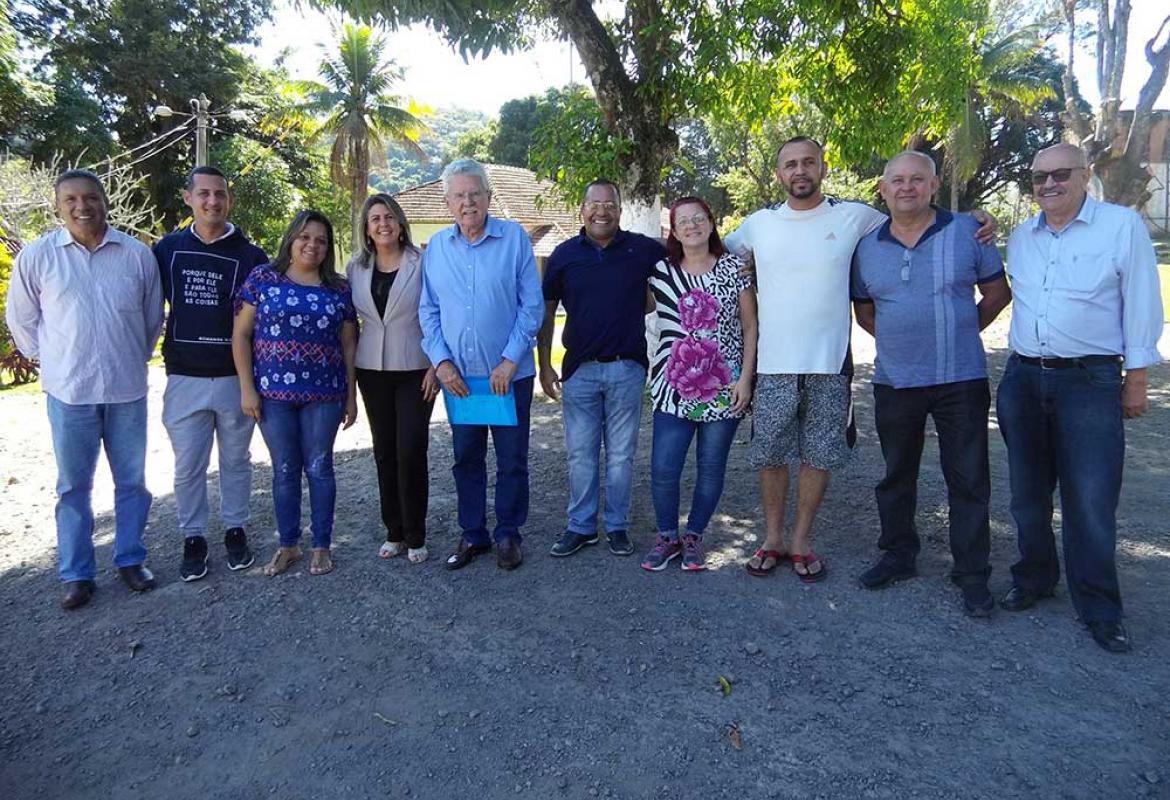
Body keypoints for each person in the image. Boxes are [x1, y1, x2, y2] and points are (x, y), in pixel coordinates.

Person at [725, 137, 995, 583]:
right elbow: (709, 249)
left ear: (823, 168)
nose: (800, 171)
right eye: (790, 164)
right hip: (772, 362)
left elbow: (914, 215)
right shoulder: (757, 225)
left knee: (820, 453)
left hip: (831, 363)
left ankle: (800, 541)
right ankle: (772, 538)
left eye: (808, 162)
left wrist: (978, 220)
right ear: (778, 174)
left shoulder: (857, 218)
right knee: (770, 454)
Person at [996, 143, 1163, 653]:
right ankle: (1035, 577)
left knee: (1090, 500)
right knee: (1026, 495)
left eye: (1060, 174)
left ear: (1085, 176)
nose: (1048, 184)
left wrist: (1136, 378)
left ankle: (1099, 607)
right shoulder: (1022, 236)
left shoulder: (1120, 227)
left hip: (1088, 382)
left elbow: (1141, 299)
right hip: (1023, 378)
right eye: (1038, 177)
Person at [850, 151, 1011, 616]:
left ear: (934, 185)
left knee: (968, 478)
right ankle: (899, 554)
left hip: (961, 379)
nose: (906, 188)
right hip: (896, 380)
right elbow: (864, 311)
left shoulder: (968, 231)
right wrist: (905, 341)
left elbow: (998, 293)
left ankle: (972, 575)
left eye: (917, 180)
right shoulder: (867, 246)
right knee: (896, 475)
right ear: (882, 190)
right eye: (896, 180)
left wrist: (960, 330)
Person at [6, 169, 163, 609]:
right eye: (71, 199)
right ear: (57, 206)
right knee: (73, 486)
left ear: (104, 201)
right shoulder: (38, 258)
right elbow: (21, 321)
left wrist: (130, 356)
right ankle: (77, 574)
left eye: (90, 197)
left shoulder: (136, 255)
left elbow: (151, 320)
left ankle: (130, 559)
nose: (82, 206)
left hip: (126, 389)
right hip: (69, 393)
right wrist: (54, 363)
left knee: (132, 481)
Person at [419, 158, 543, 571]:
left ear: (489, 196)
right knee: (465, 458)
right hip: (462, 381)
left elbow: (531, 307)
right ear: (447, 202)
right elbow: (429, 311)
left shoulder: (514, 240)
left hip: (508, 377)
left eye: (475, 193)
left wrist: (510, 361)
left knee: (512, 461)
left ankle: (509, 534)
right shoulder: (436, 247)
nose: (468, 202)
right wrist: (441, 364)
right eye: (459, 195)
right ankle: (473, 534)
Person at [537, 179, 664, 559]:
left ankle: (617, 525)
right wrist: (544, 364)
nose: (601, 211)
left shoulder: (642, 250)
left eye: (609, 204)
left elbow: (688, 259)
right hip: (579, 371)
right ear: (582, 210)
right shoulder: (563, 255)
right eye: (594, 204)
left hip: (627, 369)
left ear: (620, 210)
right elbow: (545, 312)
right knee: (580, 454)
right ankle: (580, 526)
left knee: (622, 455)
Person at [153, 166, 268, 581]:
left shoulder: (252, 256)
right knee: (188, 465)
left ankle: (235, 529)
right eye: (203, 194)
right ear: (189, 198)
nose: (212, 201)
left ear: (229, 200)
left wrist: (251, 383)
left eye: (220, 194)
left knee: (236, 461)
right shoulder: (166, 250)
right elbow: (151, 308)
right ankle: (193, 537)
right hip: (184, 377)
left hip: (234, 378)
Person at [231, 210, 358, 577]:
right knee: (285, 470)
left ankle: (321, 544)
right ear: (291, 238)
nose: (312, 245)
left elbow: (349, 345)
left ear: (328, 247)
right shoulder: (263, 279)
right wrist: (247, 388)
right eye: (305, 236)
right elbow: (241, 334)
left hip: (325, 395)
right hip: (272, 396)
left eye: (320, 240)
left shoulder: (339, 288)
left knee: (320, 468)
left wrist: (350, 396)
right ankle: (288, 545)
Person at [640, 196, 758, 572]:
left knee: (711, 468)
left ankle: (693, 536)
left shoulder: (735, 268)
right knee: (663, 468)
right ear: (673, 231)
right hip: (673, 386)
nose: (692, 225)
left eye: (699, 218)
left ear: (710, 222)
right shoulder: (659, 272)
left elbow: (751, 326)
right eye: (683, 221)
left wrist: (746, 379)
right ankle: (666, 537)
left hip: (724, 387)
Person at [346, 193, 438, 564]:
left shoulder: (424, 263)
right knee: (384, 451)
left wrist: (437, 364)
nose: (382, 224)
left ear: (400, 224)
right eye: (374, 219)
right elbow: (350, 324)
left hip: (417, 367)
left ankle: (416, 532)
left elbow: (439, 313)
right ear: (366, 230)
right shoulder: (356, 268)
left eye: (388, 217)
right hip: (372, 369)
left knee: (411, 449)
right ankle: (394, 530)